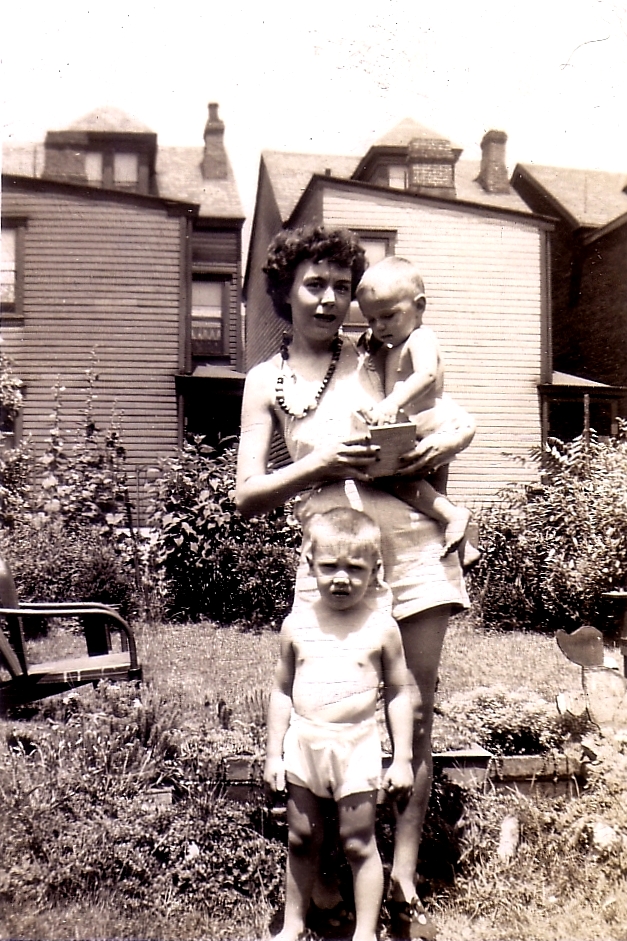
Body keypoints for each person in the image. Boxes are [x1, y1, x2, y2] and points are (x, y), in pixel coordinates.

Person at [235, 224, 474, 940]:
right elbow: (246, 493)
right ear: (284, 292)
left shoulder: (372, 351)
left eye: (341, 285)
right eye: (314, 283)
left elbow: (441, 405)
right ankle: (328, 876)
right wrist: (320, 462)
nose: (331, 299)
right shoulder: (264, 382)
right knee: (324, 707)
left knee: (413, 710)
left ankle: (399, 869)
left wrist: (453, 433)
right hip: (330, 566)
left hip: (408, 550)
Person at [265, 507, 414, 941]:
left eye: (356, 567)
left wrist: (402, 758)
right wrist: (274, 753)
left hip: (356, 745)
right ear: (310, 565)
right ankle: (293, 926)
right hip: (306, 743)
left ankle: (365, 933)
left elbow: (400, 694)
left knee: (356, 841)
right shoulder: (297, 626)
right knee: (301, 837)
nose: (342, 578)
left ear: (376, 570)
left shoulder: (381, 628)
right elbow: (281, 691)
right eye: (329, 566)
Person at [355, 256, 474, 562]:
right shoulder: (395, 343)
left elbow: (426, 375)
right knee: (431, 492)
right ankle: (464, 545)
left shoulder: (421, 338)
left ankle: (453, 519)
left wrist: (391, 403)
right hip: (428, 424)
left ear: (419, 306)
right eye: (371, 320)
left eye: (388, 315)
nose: (379, 326)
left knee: (400, 479)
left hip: (429, 423)